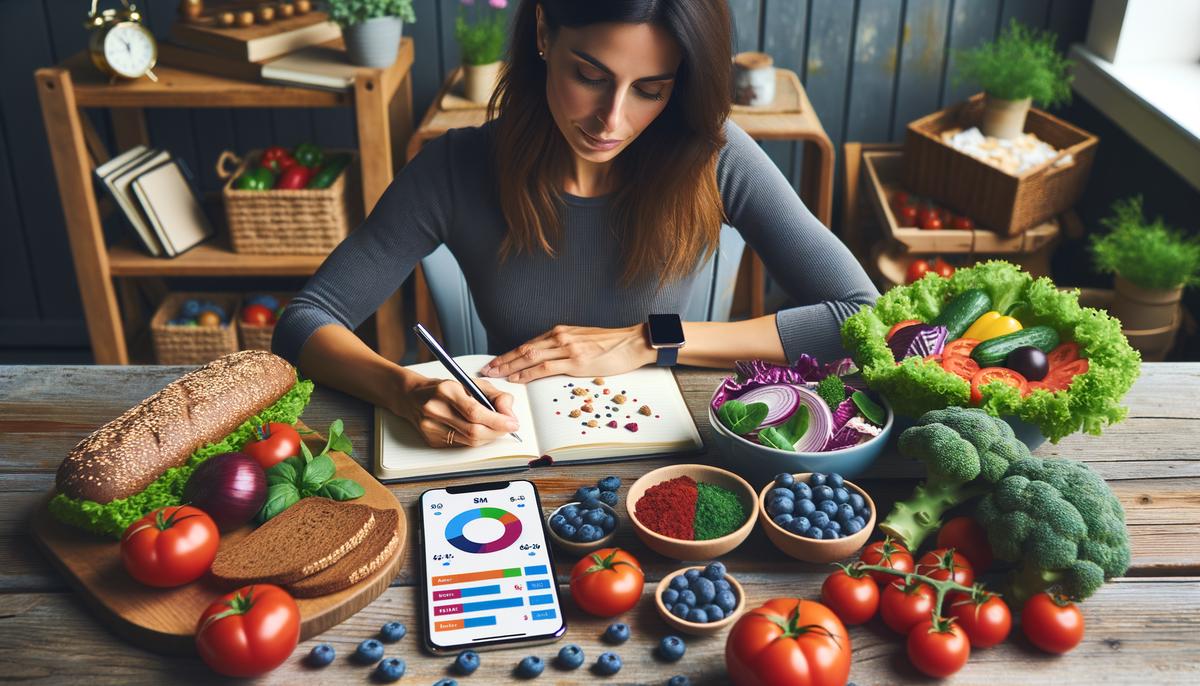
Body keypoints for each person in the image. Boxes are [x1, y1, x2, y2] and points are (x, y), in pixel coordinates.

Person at [272, 0, 878, 449]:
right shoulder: (454, 166)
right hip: (505, 449)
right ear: (542, 31)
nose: (611, 119)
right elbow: (304, 321)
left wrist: (648, 339)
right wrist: (401, 389)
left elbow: (861, 313)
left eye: (651, 90)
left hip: (668, 449)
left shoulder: (714, 155)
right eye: (589, 76)